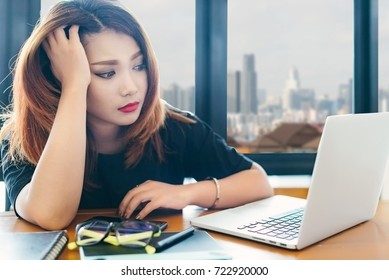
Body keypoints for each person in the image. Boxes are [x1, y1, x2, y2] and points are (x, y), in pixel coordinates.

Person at [0, 0, 273, 230]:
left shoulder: (172, 126)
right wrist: (74, 86)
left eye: (139, 65)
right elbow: (50, 216)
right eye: (106, 73)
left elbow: (258, 182)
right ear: (56, 78)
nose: (131, 88)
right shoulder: (22, 139)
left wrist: (186, 194)